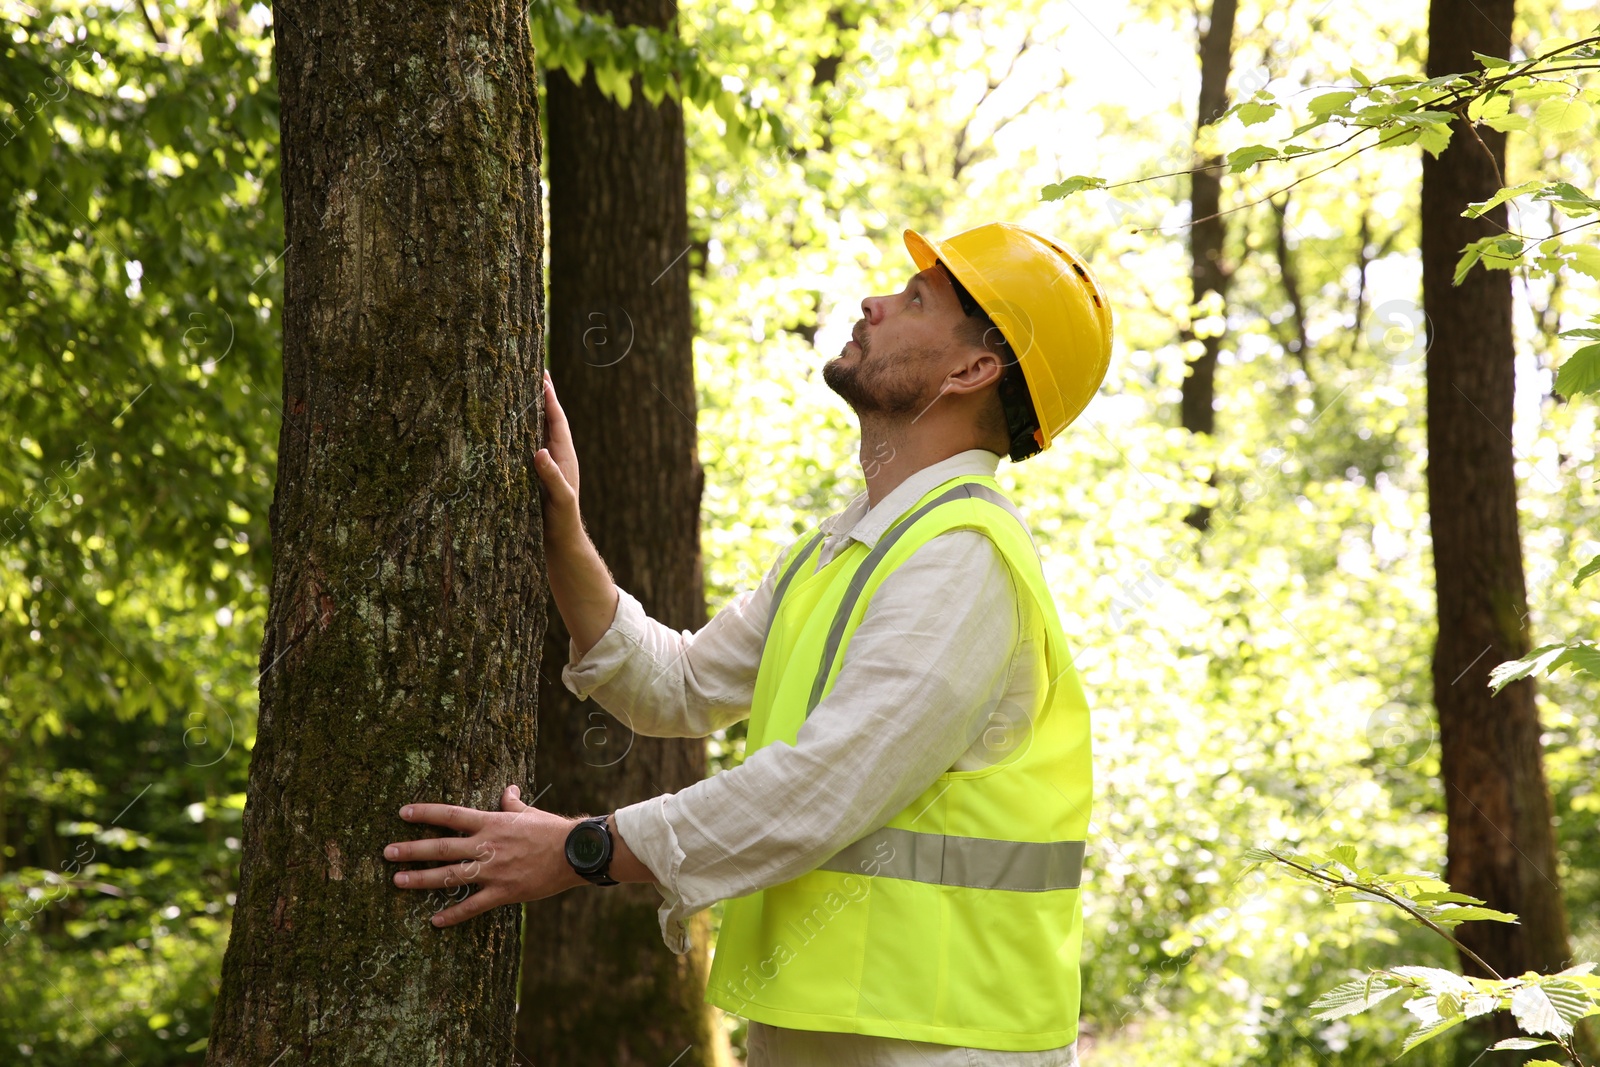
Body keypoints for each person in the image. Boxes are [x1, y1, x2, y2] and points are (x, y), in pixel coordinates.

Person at [384, 222, 1115, 1065]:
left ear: (971, 369)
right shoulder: (842, 547)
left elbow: (819, 788)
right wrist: (565, 539)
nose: (874, 303)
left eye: (916, 301)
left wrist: (582, 849)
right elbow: (680, 686)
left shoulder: (964, 558)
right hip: (823, 1027)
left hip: (943, 1043)